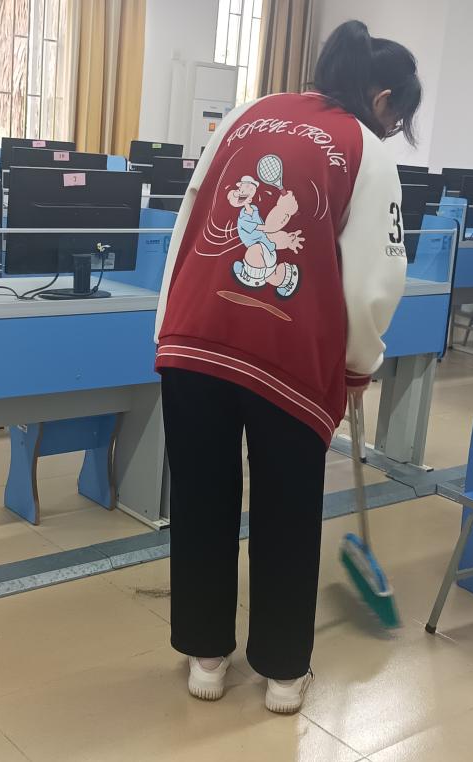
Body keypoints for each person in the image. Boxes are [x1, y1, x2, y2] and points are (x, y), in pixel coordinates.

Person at [153, 19, 422, 714]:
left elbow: (189, 220)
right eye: (399, 118)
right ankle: (280, 671)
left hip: (193, 338)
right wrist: (358, 367)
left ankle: (206, 658)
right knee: (287, 510)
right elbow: (373, 282)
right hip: (287, 358)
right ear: (383, 99)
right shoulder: (366, 149)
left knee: (201, 500)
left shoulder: (248, 112)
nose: (393, 129)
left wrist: (167, 330)